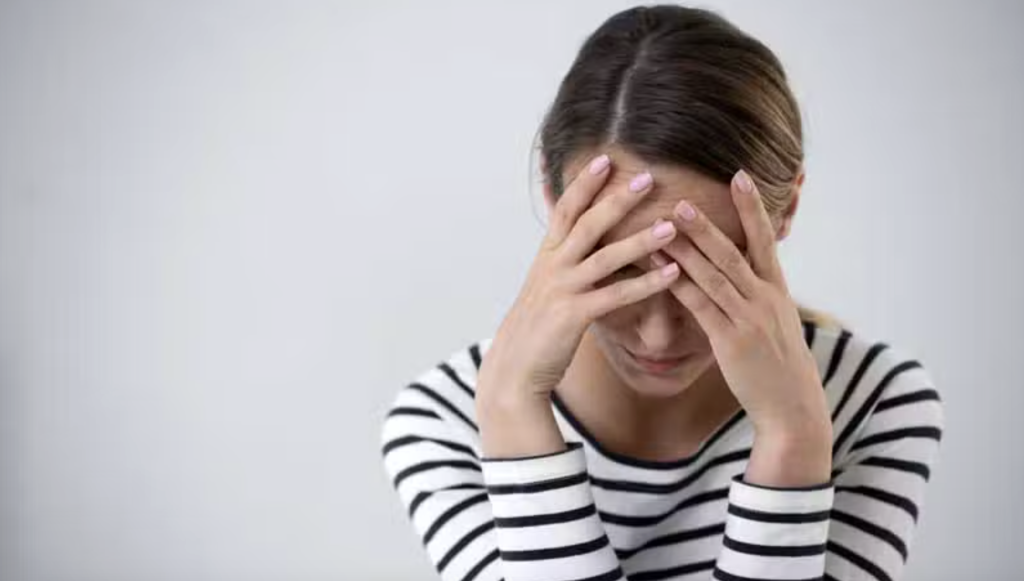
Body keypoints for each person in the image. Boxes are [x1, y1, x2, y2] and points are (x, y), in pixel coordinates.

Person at [380, 5, 944, 581]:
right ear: (554, 202)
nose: (659, 335)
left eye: (706, 275)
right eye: (621, 269)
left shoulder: (874, 401)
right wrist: (512, 414)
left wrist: (794, 438)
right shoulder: (445, 419)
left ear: (787, 209)